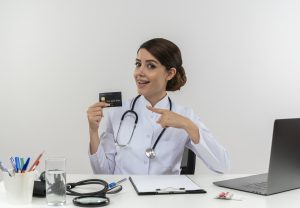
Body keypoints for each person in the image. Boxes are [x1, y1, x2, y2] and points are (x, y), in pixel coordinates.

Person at [87, 38, 230, 174]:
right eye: (138, 64)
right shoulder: (118, 112)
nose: (139, 72)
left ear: (170, 73)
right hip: (125, 195)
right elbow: (104, 173)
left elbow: (222, 166)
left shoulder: (185, 115)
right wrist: (93, 131)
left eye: (150, 66)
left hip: (164, 197)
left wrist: (188, 125)